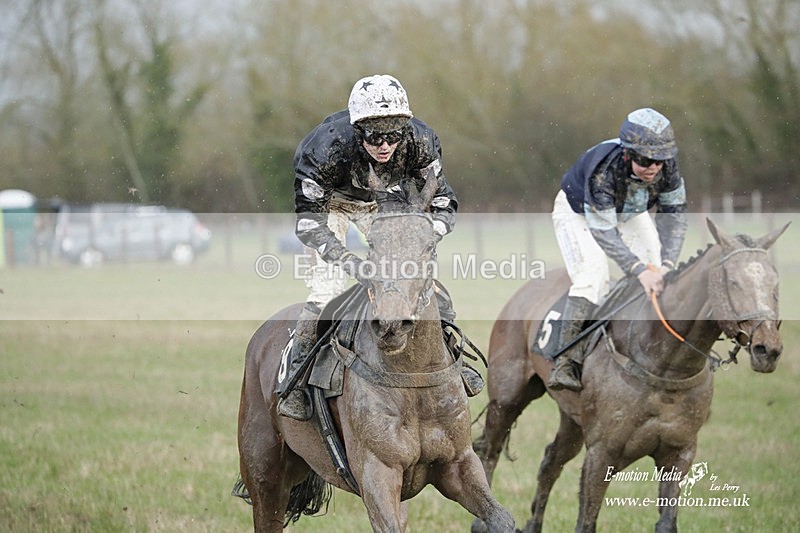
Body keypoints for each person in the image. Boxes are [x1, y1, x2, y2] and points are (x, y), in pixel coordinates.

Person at [278, 74, 482, 420]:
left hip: (380, 202)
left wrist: (425, 233)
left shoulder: (421, 141)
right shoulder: (324, 150)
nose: (385, 145)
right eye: (375, 137)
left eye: (393, 134)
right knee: (327, 291)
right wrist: (353, 264)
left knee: (419, 282)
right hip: (329, 206)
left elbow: (445, 201)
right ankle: (296, 384)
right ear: (358, 132)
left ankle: (453, 361)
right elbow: (309, 224)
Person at [548, 107, 688, 392]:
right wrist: (637, 270)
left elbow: (674, 218)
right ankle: (566, 360)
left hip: (629, 210)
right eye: (645, 160)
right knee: (593, 277)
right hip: (580, 213)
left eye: (659, 161)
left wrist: (667, 264)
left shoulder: (668, 167)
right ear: (628, 154)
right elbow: (604, 232)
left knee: (657, 271)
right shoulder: (605, 170)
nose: (653, 167)